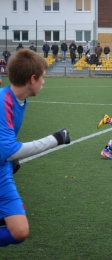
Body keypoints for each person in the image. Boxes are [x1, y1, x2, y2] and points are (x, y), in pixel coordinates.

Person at [0, 49, 70, 247]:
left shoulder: (20, 100)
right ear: (32, 79)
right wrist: (55, 139)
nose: (44, 82)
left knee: (20, 232)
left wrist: (11, 161)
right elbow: (9, 150)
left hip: (2, 170)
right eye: (43, 78)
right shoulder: (2, 101)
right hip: (4, 162)